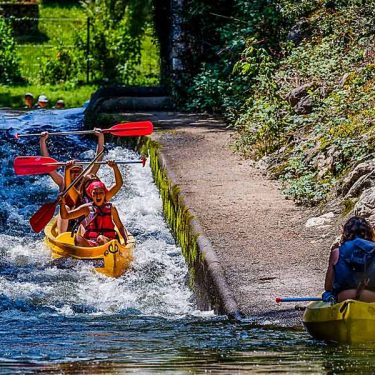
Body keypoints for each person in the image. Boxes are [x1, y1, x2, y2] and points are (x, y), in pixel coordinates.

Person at [40, 129, 105, 233]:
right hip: (67, 217)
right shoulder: (62, 182)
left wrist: (100, 137)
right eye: (72, 171)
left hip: (82, 217)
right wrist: (43, 141)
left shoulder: (85, 179)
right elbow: (48, 165)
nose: (75, 174)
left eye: (78, 171)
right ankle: (62, 238)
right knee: (65, 207)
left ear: (82, 171)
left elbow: (98, 160)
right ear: (68, 172)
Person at [59, 180, 128, 247]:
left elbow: (120, 227)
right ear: (91, 195)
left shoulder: (111, 208)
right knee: (77, 239)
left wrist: (125, 240)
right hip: (91, 243)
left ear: (104, 194)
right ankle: (90, 251)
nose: (98, 196)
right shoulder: (86, 208)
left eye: (101, 192)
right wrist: (62, 204)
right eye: (95, 193)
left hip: (108, 241)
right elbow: (65, 216)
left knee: (101, 238)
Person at [324, 216, 375, 303]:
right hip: (372, 298)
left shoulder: (336, 252)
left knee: (327, 293)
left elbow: (328, 286)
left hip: (345, 297)